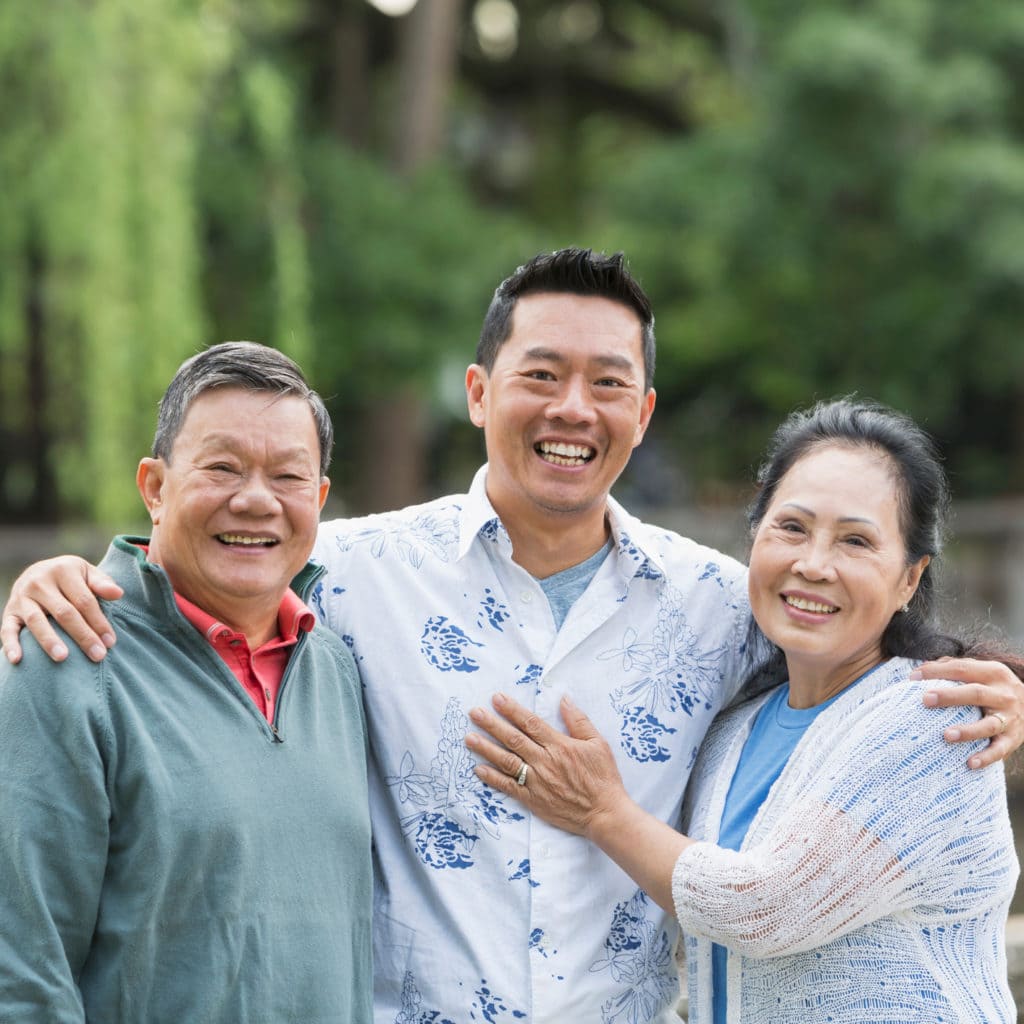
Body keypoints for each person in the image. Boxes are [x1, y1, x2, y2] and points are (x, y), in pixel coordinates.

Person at [2, 253, 1022, 1024]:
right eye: (542, 372)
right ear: (481, 391)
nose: (572, 407)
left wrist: (1009, 692)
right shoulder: (350, 573)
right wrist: (66, 580)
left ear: (642, 411)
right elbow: (206, 564)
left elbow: (849, 658)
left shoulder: (723, 606)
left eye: (608, 382)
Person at [466, 397, 1020, 1023]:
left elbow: (765, 909)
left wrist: (600, 810)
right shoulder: (733, 728)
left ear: (909, 579)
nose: (813, 564)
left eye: (856, 541)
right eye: (792, 527)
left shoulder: (935, 720)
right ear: (754, 534)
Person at [0, 343, 372, 1022]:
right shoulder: (68, 660)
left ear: (318, 499)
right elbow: (21, 971)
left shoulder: (337, 669)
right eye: (222, 467)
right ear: (155, 487)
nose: (256, 500)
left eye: (288, 476)